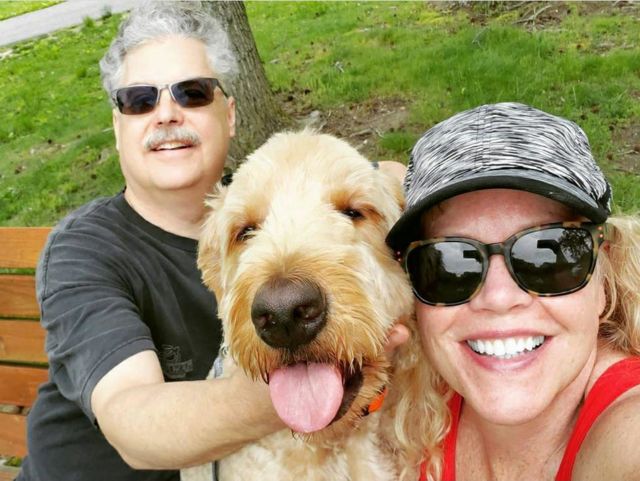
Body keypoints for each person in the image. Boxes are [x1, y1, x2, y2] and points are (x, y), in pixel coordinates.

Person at [17, 3, 287, 480]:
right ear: (118, 128)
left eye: (192, 92)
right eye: (139, 100)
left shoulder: (277, 212)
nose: (165, 114)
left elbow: (372, 181)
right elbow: (132, 419)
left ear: (229, 115)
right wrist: (304, 390)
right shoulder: (83, 252)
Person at [385, 102, 640, 481]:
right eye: (450, 263)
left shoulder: (627, 431)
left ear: (603, 276)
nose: (499, 299)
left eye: (548, 254)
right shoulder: (407, 397)